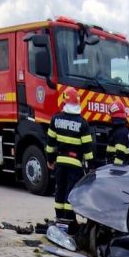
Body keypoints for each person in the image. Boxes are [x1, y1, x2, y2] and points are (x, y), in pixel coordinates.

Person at [45, 87, 93, 234]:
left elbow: (50, 144)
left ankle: (59, 219)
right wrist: (90, 167)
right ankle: (69, 222)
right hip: (75, 164)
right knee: (71, 193)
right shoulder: (82, 123)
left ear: (65, 101)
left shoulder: (56, 119)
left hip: (60, 163)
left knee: (59, 190)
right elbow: (88, 148)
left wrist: (50, 159)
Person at [106, 101, 129, 166]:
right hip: (123, 165)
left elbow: (120, 154)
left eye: (111, 116)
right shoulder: (121, 130)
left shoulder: (120, 132)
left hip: (120, 167)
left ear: (114, 117)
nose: (110, 118)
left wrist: (116, 167)